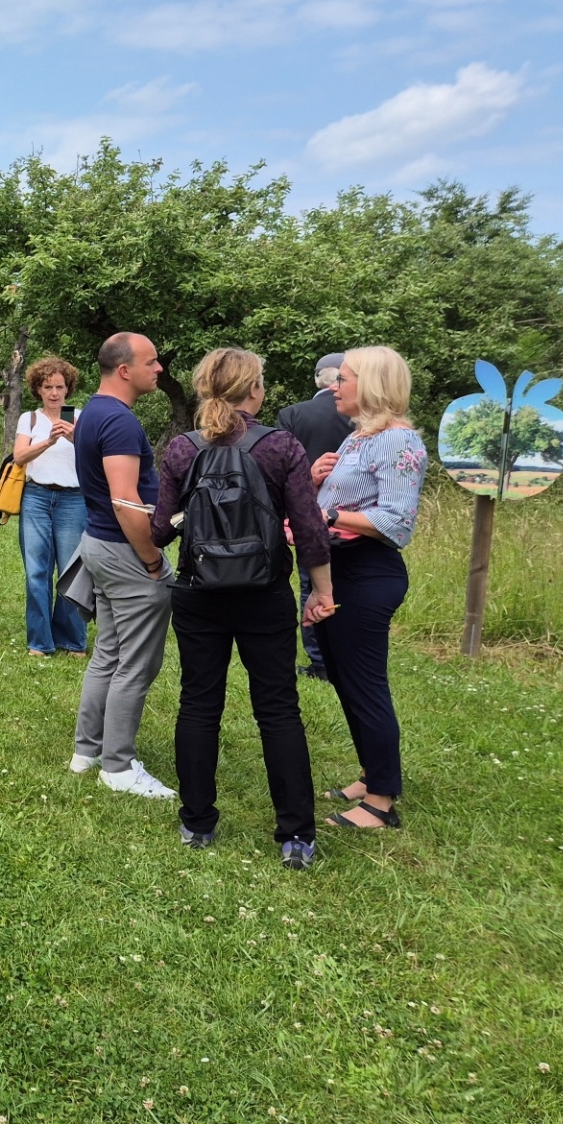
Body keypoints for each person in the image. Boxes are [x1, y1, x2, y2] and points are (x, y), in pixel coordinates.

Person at [152, 348, 336, 871]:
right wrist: (321, 592)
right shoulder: (280, 446)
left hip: (198, 592)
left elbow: (162, 530)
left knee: (198, 704)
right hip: (265, 595)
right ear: (254, 389)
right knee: (278, 709)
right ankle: (296, 834)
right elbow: (309, 530)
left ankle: (197, 823)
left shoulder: (183, 449)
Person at [312, 346, 427, 832]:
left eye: (345, 378)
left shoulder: (400, 442)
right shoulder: (361, 436)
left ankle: (380, 802)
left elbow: (397, 521)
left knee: (365, 686)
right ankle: (370, 773)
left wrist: (330, 514)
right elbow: (350, 498)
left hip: (367, 572)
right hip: (341, 569)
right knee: (342, 678)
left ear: (374, 384)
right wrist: (316, 481)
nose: (334, 386)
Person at [70, 332, 176, 800]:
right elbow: (124, 499)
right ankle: (117, 765)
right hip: (123, 550)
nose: (160, 370)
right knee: (135, 662)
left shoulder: (92, 411)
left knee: (109, 653)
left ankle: (87, 751)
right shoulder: (118, 422)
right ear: (125, 370)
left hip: (98, 544)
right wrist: (152, 558)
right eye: (152, 362)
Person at [277, 352, 355, 679]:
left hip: (308, 513)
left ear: (316, 379)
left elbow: (281, 470)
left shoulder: (293, 415)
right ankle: (349, 655)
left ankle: (320, 662)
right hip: (356, 517)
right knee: (350, 585)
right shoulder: (362, 416)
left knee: (312, 586)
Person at [12, 356, 88, 657]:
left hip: (73, 500)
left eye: (60, 386)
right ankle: (40, 642)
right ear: (38, 389)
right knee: (36, 570)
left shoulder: (78, 416)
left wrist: (74, 436)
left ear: (68, 388)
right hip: (36, 498)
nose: (55, 393)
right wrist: (48, 441)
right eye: (48, 387)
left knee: (71, 570)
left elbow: (95, 457)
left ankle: (71, 639)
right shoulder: (29, 419)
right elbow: (19, 457)